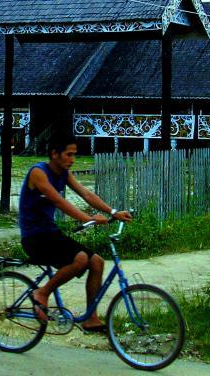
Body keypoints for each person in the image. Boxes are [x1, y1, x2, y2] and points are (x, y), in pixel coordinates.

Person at [19, 132, 132, 332]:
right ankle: (41, 293)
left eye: (75, 155)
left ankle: (91, 319)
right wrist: (88, 219)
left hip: (50, 233)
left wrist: (113, 212)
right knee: (80, 259)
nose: (73, 159)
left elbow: (86, 194)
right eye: (69, 155)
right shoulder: (38, 172)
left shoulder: (63, 173)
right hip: (34, 237)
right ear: (55, 154)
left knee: (96, 262)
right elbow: (58, 201)